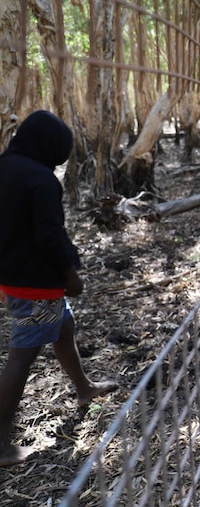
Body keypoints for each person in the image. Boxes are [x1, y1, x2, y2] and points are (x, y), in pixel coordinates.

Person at [0, 110, 118, 467]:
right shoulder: (41, 180)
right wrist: (71, 273)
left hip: (12, 273)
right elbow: (49, 234)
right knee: (24, 354)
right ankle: (0, 442)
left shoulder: (4, 167)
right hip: (36, 281)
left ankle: (84, 390)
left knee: (64, 327)